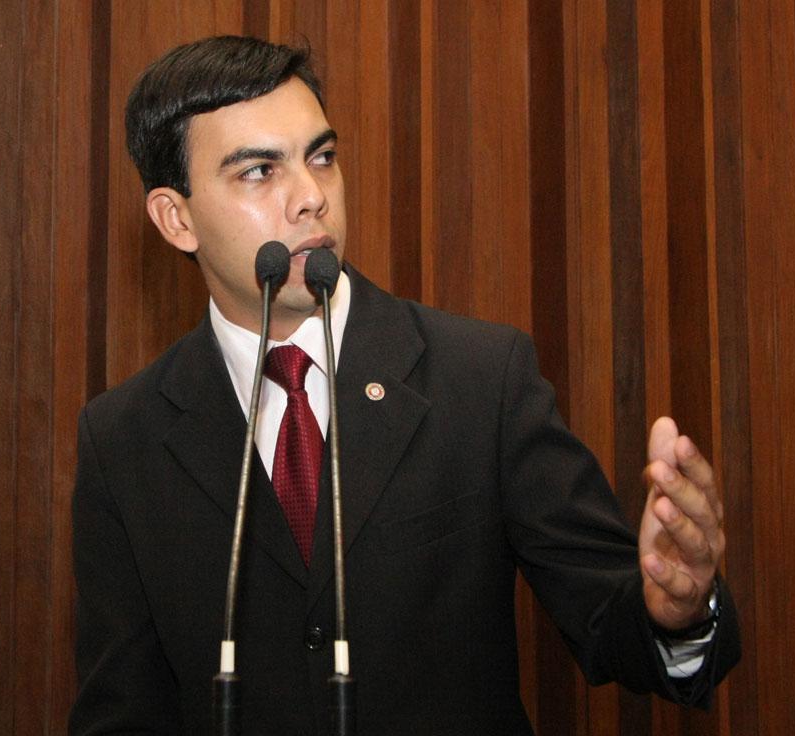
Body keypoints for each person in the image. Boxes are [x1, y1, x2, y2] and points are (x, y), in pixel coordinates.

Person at [70, 35, 739, 735]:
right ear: (176, 218)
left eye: (321, 157)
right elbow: (122, 711)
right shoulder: (123, 439)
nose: (311, 198)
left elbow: (611, 618)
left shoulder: (480, 379)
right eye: (260, 172)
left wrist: (680, 610)